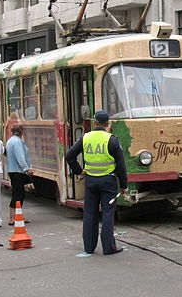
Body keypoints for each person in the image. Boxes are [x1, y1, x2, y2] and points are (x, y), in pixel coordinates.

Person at [66, 110, 127, 256]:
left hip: (91, 181)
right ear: (108, 124)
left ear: (94, 123)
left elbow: (70, 156)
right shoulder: (112, 140)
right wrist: (124, 185)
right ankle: (108, 247)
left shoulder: (85, 138)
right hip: (108, 182)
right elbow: (121, 165)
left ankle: (89, 247)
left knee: (90, 214)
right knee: (107, 213)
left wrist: (79, 171)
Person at [5, 124, 34, 225]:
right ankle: (13, 218)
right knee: (18, 194)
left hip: (13, 170)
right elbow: (20, 157)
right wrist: (27, 169)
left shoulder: (10, 141)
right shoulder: (17, 142)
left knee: (18, 194)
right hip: (17, 171)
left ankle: (18, 216)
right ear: (21, 132)